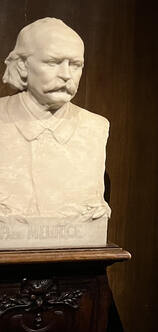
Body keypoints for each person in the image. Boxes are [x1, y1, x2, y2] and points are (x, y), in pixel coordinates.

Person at [0, 17, 110, 220]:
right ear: (23, 65)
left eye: (76, 65)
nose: (67, 75)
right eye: (53, 62)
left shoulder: (95, 127)